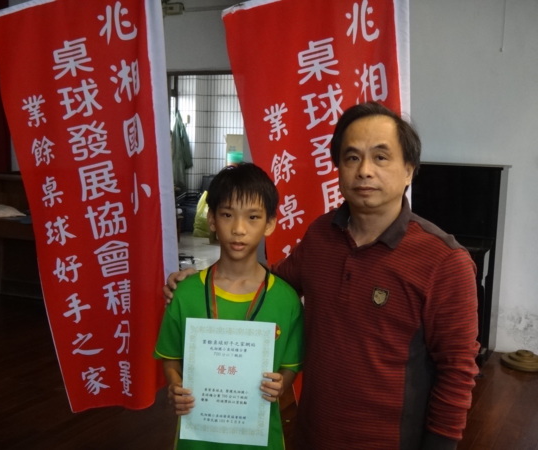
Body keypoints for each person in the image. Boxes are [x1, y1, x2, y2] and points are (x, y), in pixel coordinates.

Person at [164, 102, 479, 450]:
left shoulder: (444, 261)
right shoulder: (321, 235)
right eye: (352, 157)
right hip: (312, 434)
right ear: (338, 168)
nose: (365, 171)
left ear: (408, 170)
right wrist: (203, 280)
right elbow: (272, 281)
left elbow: (457, 371)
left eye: (381, 157)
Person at [154, 162, 304, 450]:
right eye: (227, 215)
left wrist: (282, 384)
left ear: (270, 223)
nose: (238, 229)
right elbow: (170, 357)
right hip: (196, 440)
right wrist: (174, 384)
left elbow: (290, 366)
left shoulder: (286, 300)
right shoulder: (185, 294)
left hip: (261, 439)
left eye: (253, 217)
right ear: (211, 219)